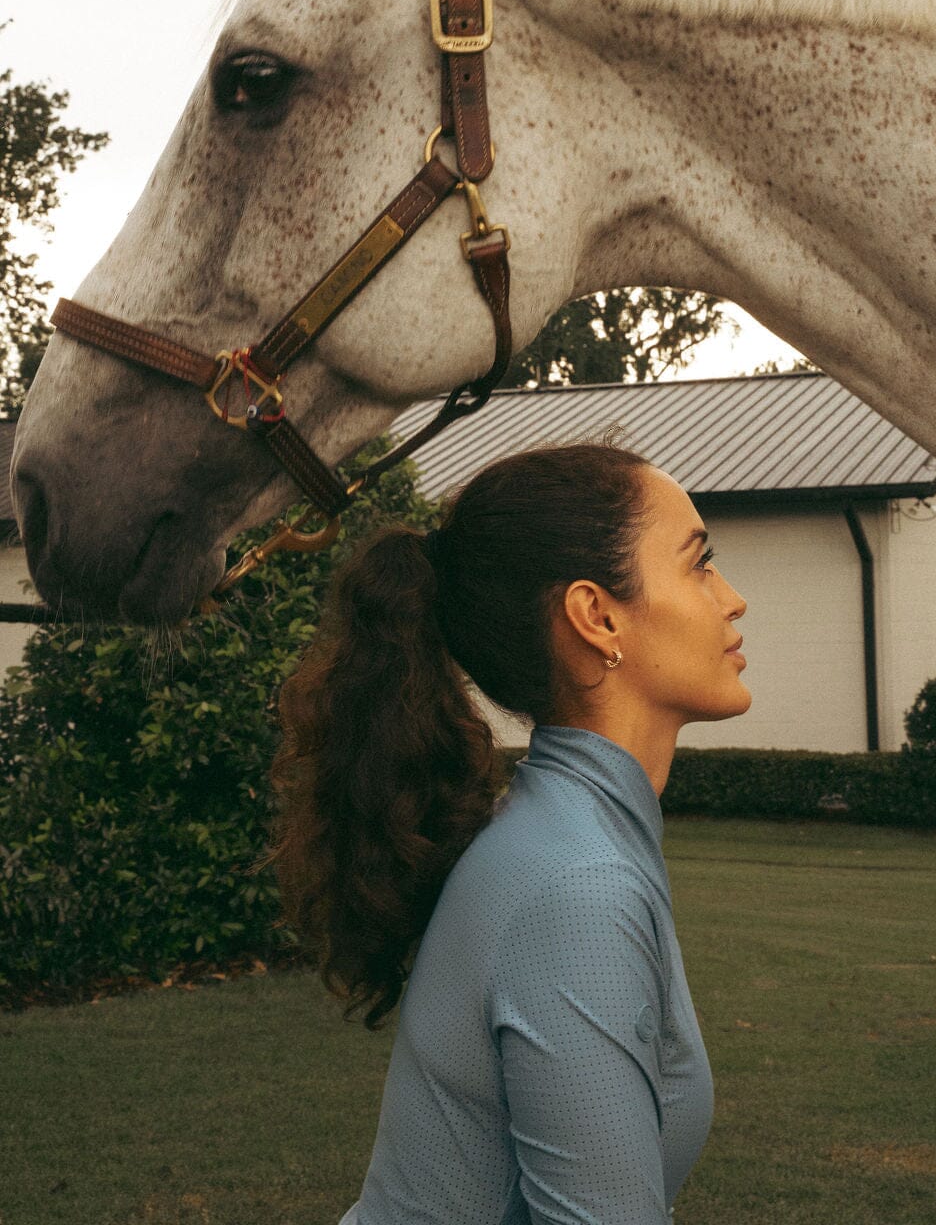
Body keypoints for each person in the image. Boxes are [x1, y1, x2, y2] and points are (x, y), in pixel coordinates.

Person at [264, 433, 750, 1224]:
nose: (731, 597)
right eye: (699, 562)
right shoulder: (576, 888)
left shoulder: (570, 839)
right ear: (596, 617)